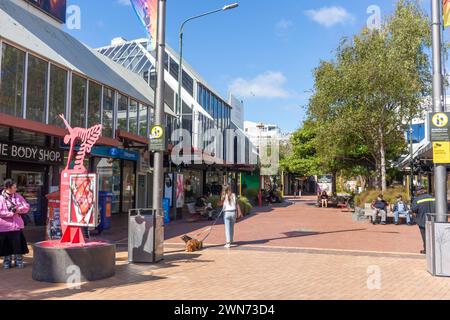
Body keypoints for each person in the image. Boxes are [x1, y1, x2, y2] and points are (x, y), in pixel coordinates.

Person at [0, 179, 30, 269]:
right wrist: (11, 213)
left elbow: (26, 206)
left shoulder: (18, 196)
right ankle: (7, 261)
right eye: (14, 187)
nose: (16, 188)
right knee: (6, 245)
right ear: (8, 188)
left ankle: (18, 261)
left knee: (18, 244)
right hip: (4, 226)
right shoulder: (0, 198)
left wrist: (19, 209)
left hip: (16, 226)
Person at [411, 187, 435, 254]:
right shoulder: (432, 197)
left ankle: (426, 250)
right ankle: (434, 248)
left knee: (424, 236)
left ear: (418, 192)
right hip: (432, 219)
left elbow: (414, 209)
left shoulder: (417, 199)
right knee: (432, 235)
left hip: (422, 220)